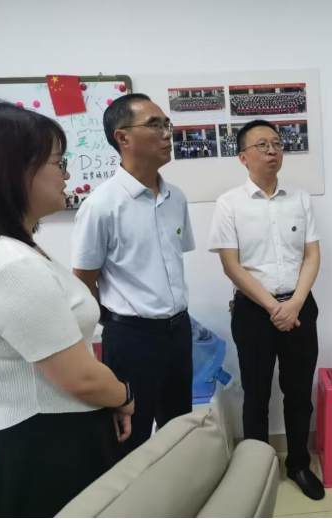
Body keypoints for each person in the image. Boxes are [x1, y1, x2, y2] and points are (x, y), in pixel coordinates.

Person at [0, 98, 134, 518]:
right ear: (14, 171)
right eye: (58, 162)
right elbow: (79, 377)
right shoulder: (9, 265)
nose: (67, 174)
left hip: (42, 431)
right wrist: (125, 396)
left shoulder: (0, 249)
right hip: (48, 445)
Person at [72, 93, 196, 457]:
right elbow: (83, 282)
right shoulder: (101, 205)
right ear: (122, 137)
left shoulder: (176, 198)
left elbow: (173, 260)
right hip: (132, 339)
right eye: (154, 124)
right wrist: (117, 323)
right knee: (131, 439)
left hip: (179, 331)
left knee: (179, 430)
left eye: (167, 124)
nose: (167, 133)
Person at [209, 120, 325, 501]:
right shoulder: (229, 203)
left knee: (298, 392)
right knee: (256, 395)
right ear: (243, 157)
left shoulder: (300, 198)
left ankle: (299, 464)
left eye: (277, 143)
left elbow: (312, 255)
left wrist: (295, 304)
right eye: (262, 145)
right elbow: (231, 265)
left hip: (300, 307)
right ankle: (256, 471)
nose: (272, 150)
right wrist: (275, 307)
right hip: (254, 312)